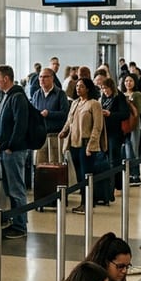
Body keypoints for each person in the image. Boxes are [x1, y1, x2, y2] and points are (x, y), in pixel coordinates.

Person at [0, 64, 30, 240]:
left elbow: (20, 124)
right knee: (10, 188)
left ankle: (20, 225)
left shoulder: (17, 97)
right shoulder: (6, 96)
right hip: (6, 150)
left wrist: (11, 145)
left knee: (16, 188)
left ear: (6, 79)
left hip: (13, 151)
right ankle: (16, 221)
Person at [59, 77, 104, 214]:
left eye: (82, 86)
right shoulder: (75, 103)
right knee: (79, 176)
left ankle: (88, 203)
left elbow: (97, 127)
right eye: (77, 86)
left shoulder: (94, 104)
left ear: (88, 88)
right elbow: (69, 121)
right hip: (74, 144)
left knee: (86, 175)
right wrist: (64, 131)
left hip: (86, 145)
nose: (78, 88)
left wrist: (91, 145)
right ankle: (83, 202)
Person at [31, 67, 69, 166]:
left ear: (52, 78)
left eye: (45, 77)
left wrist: (49, 114)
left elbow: (65, 114)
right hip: (41, 136)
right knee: (41, 166)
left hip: (55, 136)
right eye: (40, 77)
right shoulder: (36, 94)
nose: (42, 79)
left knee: (55, 164)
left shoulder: (60, 94)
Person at [121, 73, 141, 186]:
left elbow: (138, 111)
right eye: (126, 81)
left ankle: (136, 175)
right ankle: (129, 174)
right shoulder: (121, 94)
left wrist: (129, 103)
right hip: (123, 124)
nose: (128, 83)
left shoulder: (137, 94)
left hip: (134, 124)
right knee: (126, 150)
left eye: (130, 81)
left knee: (134, 149)